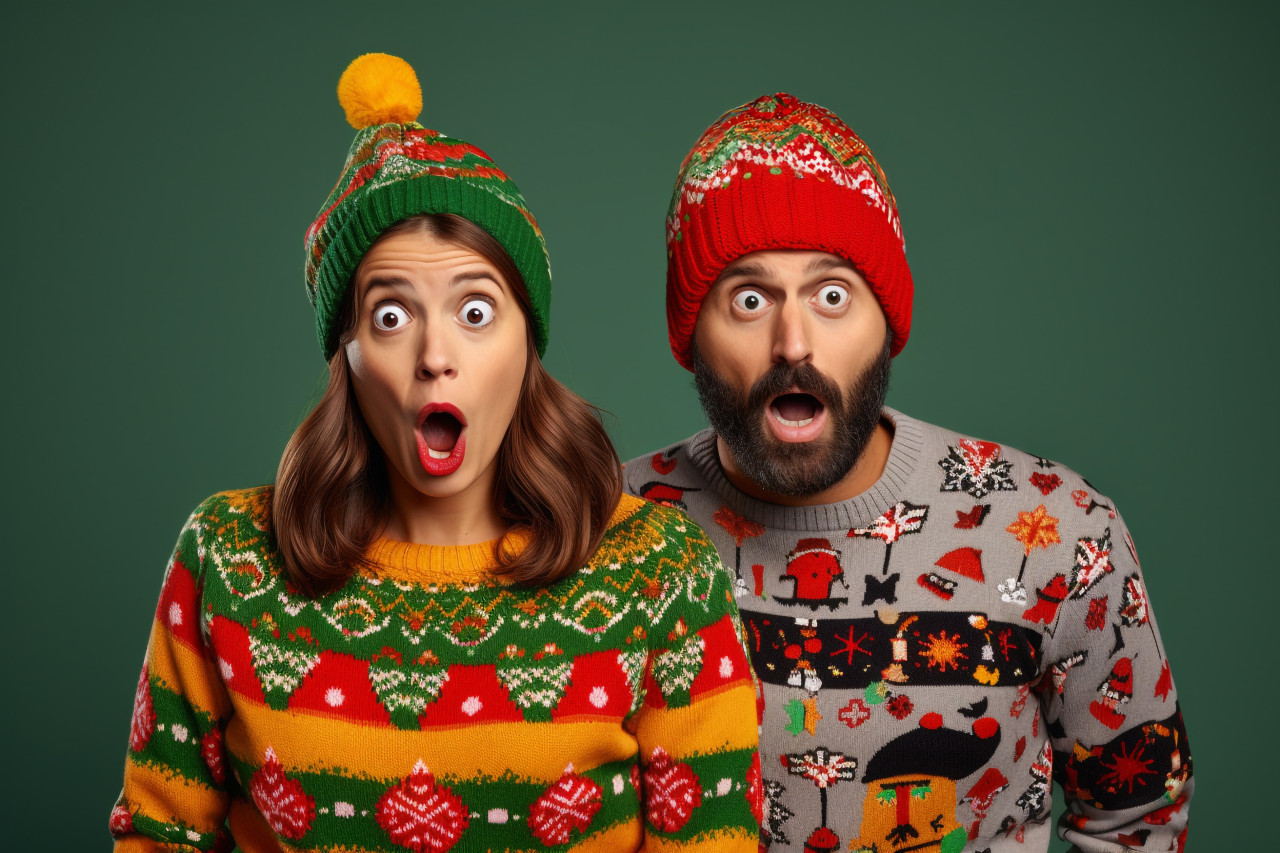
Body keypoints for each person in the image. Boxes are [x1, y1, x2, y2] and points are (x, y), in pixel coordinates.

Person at [110, 54, 761, 853]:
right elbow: (157, 833)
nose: (435, 356)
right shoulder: (227, 559)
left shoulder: (660, 574)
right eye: (390, 317)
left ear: (528, 344)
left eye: (476, 311)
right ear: (346, 354)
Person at [624, 93, 1191, 852]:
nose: (793, 343)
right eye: (749, 298)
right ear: (691, 330)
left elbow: (1140, 815)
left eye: (832, 295)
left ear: (887, 321)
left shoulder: (1061, 531)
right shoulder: (603, 527)